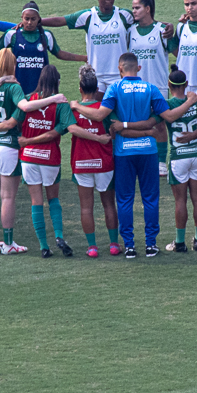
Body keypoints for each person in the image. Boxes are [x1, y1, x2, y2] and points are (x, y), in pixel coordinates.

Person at [72, 53, 196, 258]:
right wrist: (190, 101)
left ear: (120, 69)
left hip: (123, 153)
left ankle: (129, 246)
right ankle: (150, 245)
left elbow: (100, 115)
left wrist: (76, 106)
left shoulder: (114, 88)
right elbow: (169, 117)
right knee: (150, 199)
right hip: (148, 151)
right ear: (138, 68)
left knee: (124, 200)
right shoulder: (150, 88)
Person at [0, 49, 65, 255]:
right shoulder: (14, 87)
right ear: (11, 65)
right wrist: (53, 99)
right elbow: (25, 106)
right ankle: (8, 244)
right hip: (7, 146)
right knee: (7, 197)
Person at [18, 65, 109, 258]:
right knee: (53, 199)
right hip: (49, 158)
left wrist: (27, 140)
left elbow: (15, 122)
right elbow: (58, 132)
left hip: (28, 158)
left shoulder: (27, 99)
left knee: (36, 202)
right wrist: (99, 138)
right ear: (57, 82)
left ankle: (44, 246)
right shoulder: (61, 104)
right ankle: (59, 236)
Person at [41, 0, 134, 95]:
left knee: (119, 107)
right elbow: (61, 20)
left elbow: (144, 22)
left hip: (119, 74)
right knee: (95, 106)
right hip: (96, 75)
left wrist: (162, 26)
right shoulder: (88, 16)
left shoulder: (124, 15)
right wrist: (38, 21)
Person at [0, 1, 86, 95]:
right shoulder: (12, 35)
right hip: (18, 89)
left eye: (33, 19)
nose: (29, 22)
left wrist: (84, 58)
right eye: (27, 19)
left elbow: (60, 53)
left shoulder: (46, 35)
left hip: (41, 90)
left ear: (39, 19)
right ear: (22, 18)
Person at [70, 65, 121, 257]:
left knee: (86, 207)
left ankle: (92, 247)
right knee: (109, 205)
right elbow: (114, 132)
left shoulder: (73, 109)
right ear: (97, 88)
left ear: (80, 88)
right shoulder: (104, 110)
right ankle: (114, 244)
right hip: (104, 163)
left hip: (81, 163)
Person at [128, 0, 174, 177]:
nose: (133, 11)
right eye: (133, 8)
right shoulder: (130, 31)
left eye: (137, 8)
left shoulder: (162, 31)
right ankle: (141, 159)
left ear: (148, 9)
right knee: (138, 123)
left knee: (159, 125)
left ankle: (161, 162)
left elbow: (178, 53)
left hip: (158, 86)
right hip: (136, 86)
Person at [162, 66, 197, 252]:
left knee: (180, 200)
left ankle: (180, 243)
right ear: (186, 83)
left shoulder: (166, 104)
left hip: (178, 156)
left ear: (169, 84)